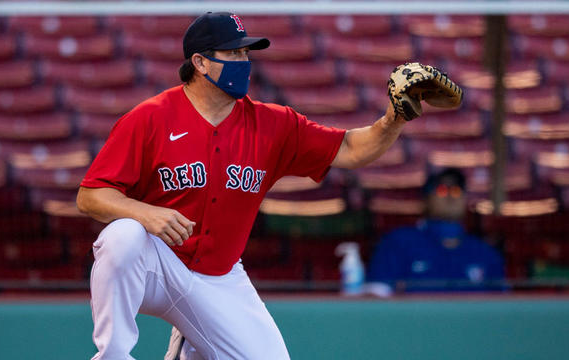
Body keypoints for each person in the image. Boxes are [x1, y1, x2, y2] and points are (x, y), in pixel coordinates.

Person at [76, 12, 410, 359]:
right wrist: (146, 213)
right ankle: (114, 354)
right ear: (200, 62)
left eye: (246, 54)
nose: (244, 62)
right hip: (157, 263)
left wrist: (394, 119)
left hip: (219, 276)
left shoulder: (272, 124)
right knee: (122, 236)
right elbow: (91, 196)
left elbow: (351, 149)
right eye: (233, 54)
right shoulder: (151, 117)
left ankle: (192, 343)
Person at [366, 168, 505, 296]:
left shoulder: (484, 252)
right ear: (426, 199)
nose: (451, 196)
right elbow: (375, 298)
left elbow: (503, 310)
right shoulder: (399, 243)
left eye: (457, 190)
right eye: (442, 190)